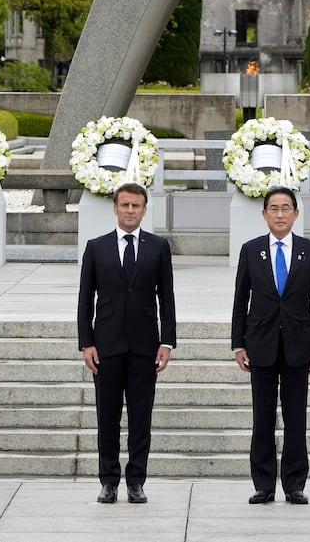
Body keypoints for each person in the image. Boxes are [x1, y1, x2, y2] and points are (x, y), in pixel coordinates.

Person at [78, 182, 177, 504]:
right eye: (125, 205)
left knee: (140, 418)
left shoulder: (158, 247)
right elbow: (85, 300)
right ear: (116, 209)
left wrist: (167, 342)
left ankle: (136, 481)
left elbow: (167, 297)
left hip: (144, 347)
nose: (130, 211)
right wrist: (86, 343)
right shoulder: (96, 247)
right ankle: (108, 481)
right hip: (105, 347)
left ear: (145, 210)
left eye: (136, 206)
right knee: (107, 417)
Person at [232, 185, 310, 505]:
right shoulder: (251, 250)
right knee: (262, 418)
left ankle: (294, 484)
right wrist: (237, 343)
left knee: (295, 418)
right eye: (273, 209)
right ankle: (263, 484)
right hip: (260, 344)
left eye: (286, 208)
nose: (280, 214)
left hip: (299, 346)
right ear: (264, 214)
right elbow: (240, 300)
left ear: (296, 214)